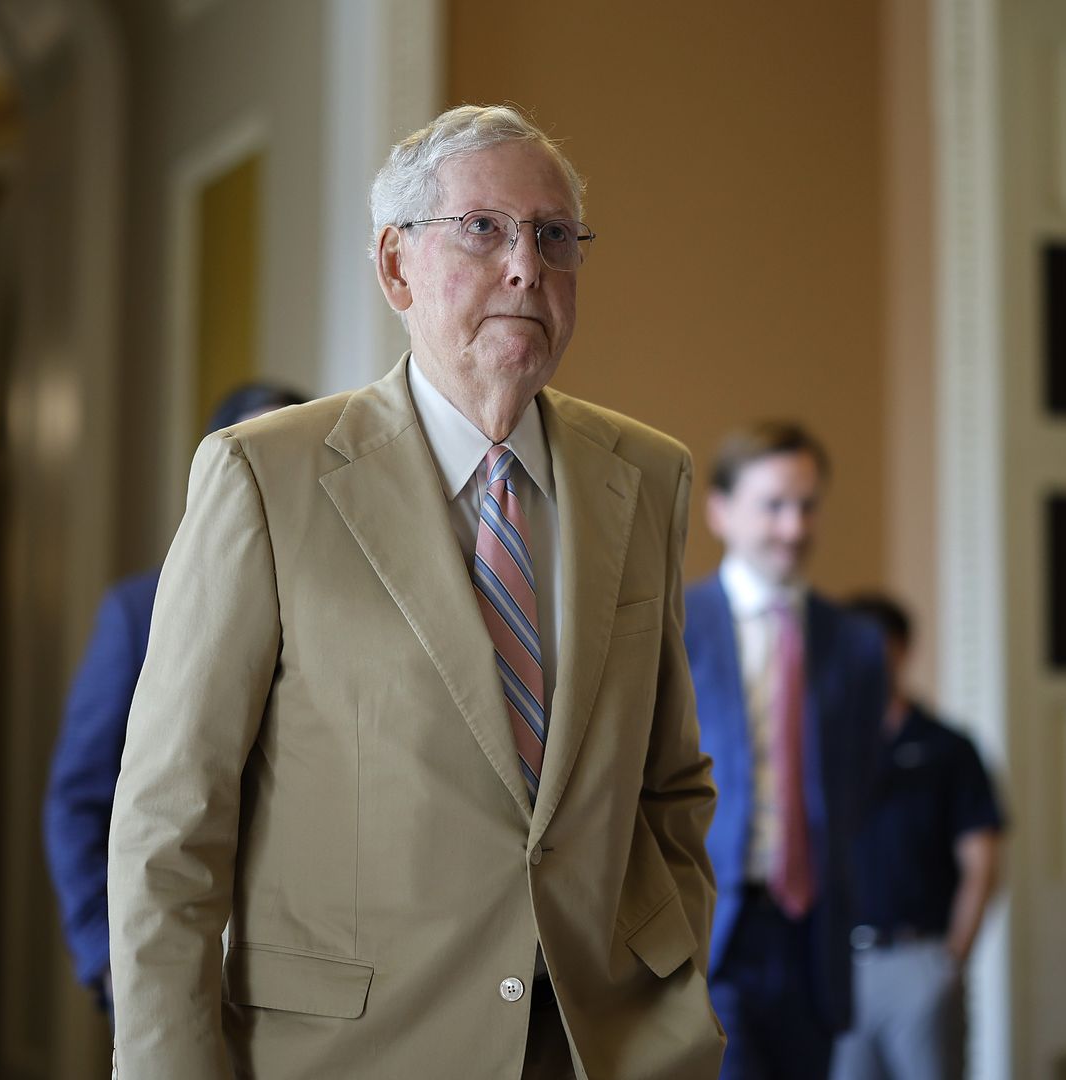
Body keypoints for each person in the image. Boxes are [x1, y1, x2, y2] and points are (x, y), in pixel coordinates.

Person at [107, 104, 720, 1079]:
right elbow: (169, 827)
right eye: (486, 229)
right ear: (396, 266)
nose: (528, 266)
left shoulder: (645, 475)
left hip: (601, 1048)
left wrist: (665, 970)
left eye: (556, 237)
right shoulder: (263, 477)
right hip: (345, 1053)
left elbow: (670, 784)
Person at [42, 383, 305, 1014]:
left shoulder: (344, 611)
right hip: (180, 967)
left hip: (315, 979)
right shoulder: (138, 612)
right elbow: (79, 798)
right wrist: (106, 957)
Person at [684, 422, 886, 1080]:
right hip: (714, 934)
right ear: (720, 511)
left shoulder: (856, 646)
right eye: (773, 505)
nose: (794, 528)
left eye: (807, 505)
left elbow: (860, 787)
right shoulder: (674, 626)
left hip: (815, 941)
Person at [830, 594, 1004, 1080]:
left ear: (901, 650)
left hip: (919, 961)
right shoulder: (825, 751)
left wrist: (951, 962)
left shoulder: (948, 749)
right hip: (843, 966)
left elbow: (982, 863)